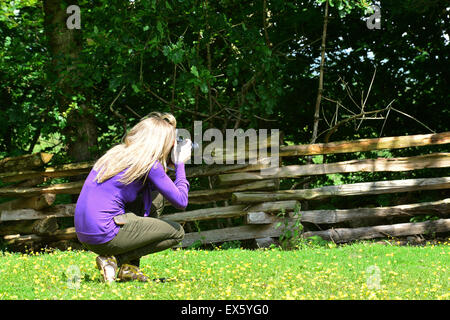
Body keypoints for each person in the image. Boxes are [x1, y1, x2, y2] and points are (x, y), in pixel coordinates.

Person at [74, 112, 192, 283]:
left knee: (155, 197)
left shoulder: (117, 154)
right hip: (105, 232)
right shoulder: (150, 164)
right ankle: (115, 261)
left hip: (85, 233)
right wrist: (181, 162)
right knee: (176, 233)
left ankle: (129, 269)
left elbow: (152, 187)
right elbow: (181, 201)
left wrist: (170, 162)